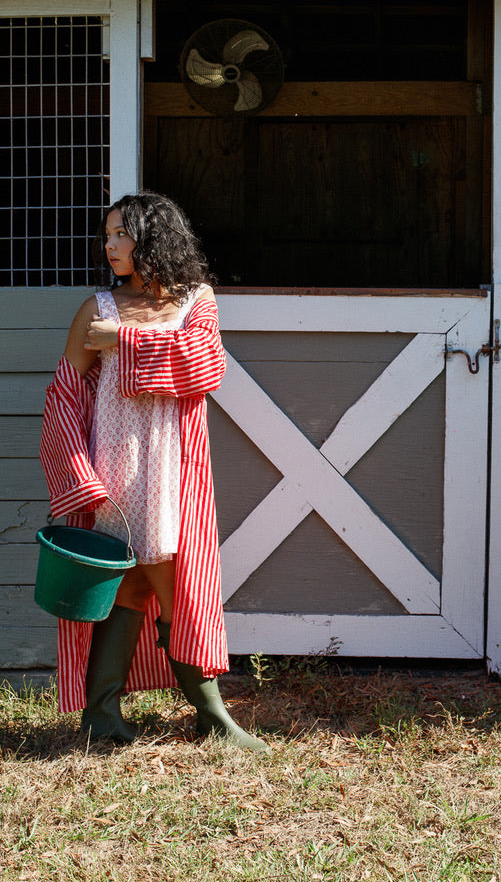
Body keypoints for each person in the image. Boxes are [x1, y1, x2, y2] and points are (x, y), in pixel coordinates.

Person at [39, 191, 268, 752]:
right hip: (113, 473)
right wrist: (79, 475)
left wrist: (125, 340)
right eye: (108, 234)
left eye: (122, 234)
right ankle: (115, 716)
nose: (109, 245)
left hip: (174, 471)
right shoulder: (98, 307)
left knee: (177, 586)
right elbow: (63, 398)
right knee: (127, 585)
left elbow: (205, 366)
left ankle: (200, 713)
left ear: (154, 239)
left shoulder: (196, 301)